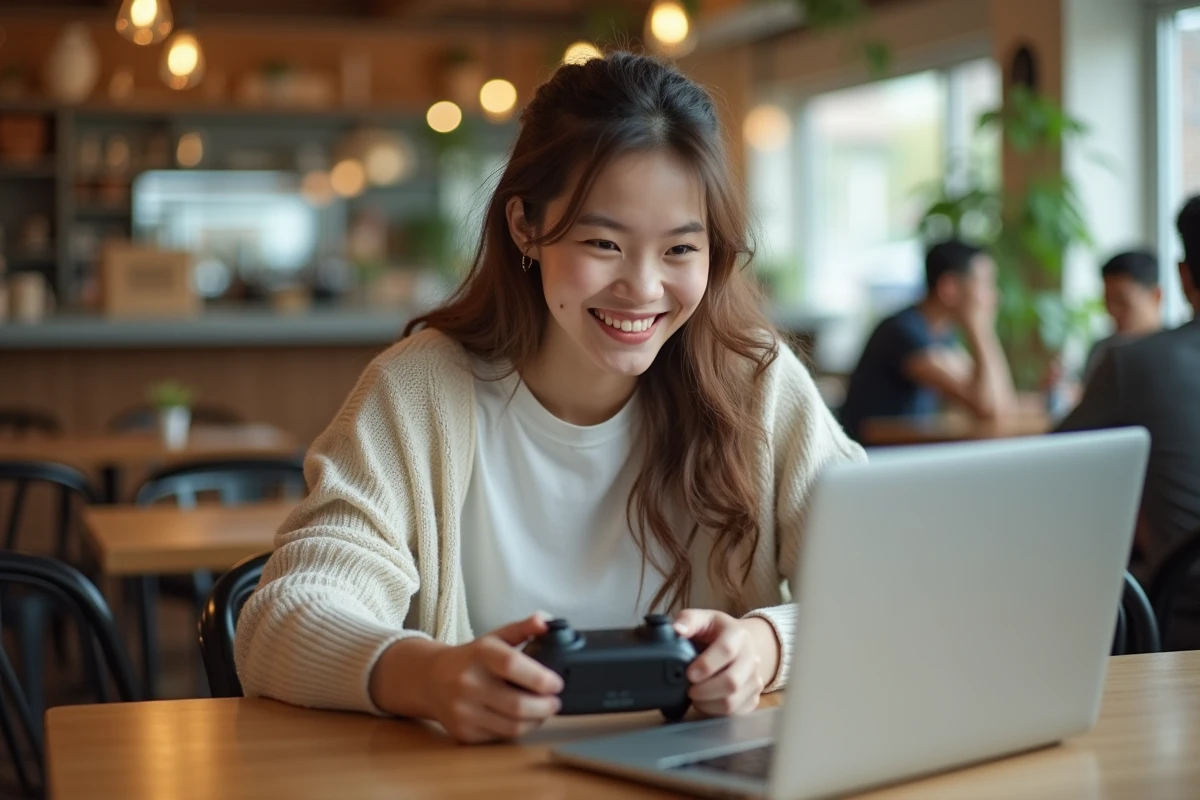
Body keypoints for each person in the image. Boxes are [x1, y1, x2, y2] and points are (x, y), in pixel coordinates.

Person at [234, 52, 865, 743]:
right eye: (603, 242)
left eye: (681, 250)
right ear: (526, 227)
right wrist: (430, 677)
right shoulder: (418, 394)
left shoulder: (754, 385)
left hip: (698, 779)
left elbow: (894, 585)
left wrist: (766, 647)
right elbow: (281, 619)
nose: (643, 287)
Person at [1057, 196, 1200, 587]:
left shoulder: (1134, 363)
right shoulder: (1119, 355)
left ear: (1182, 277)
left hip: (1181, 604)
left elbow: (1051, 465)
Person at [838, 240, 1017, 443]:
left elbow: (998, 402)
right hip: (871, 458)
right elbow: (989, 409)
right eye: (985, 284)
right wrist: (980, 328)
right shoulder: (903, 333)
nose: (994, 297)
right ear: (949, 288)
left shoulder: (942, 336)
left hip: (904, 453)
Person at [1082, 249, 1162, 385]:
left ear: (1155, 296)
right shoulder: (1102, 351)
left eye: (1122, 302)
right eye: (1108, 301)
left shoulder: (1176, 355)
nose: (1113, 311)